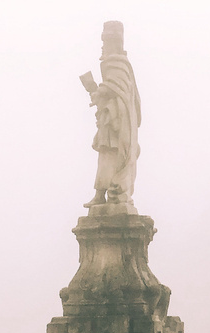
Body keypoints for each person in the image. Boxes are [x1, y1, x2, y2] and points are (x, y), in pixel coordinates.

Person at [83, 20, 141, 208]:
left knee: (109, 157)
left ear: (112, 42)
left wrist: (98, 91)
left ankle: (105, 195)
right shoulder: (118, 64)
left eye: (104, 42)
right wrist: (98, 92)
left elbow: (118, 88)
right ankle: (101, 195)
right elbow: (116, 89)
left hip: (116, 123)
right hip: (110, 121)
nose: (102, 47)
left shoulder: (115, 63)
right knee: (106, 157)